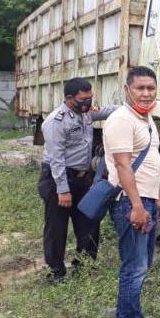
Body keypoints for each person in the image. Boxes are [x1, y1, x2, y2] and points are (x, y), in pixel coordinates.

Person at [103, 66, 160, 318]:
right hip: (131, 203)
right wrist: (138, 206)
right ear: (127, 90)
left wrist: (159, 199)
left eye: (150, 88)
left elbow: (150, 161)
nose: (145, 93)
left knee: (143, 263)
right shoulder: (121, 120)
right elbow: (123, 165)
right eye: (140, 88)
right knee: (135, 266)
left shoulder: (146, 119)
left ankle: (128, 317)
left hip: (146, 200)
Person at [39, 77, 117, 283]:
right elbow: (56, 159)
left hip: (83, 179)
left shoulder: (86, 114)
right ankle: (55, 272)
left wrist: (133, 107)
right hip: (58, 179)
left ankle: (84, 267)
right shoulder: (56, 121)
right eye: (83, 99)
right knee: (57, 226)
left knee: (90, 221)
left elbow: (110, 110)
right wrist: (62, 190)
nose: (88, 103)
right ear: (69, 98)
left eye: (90, 98)